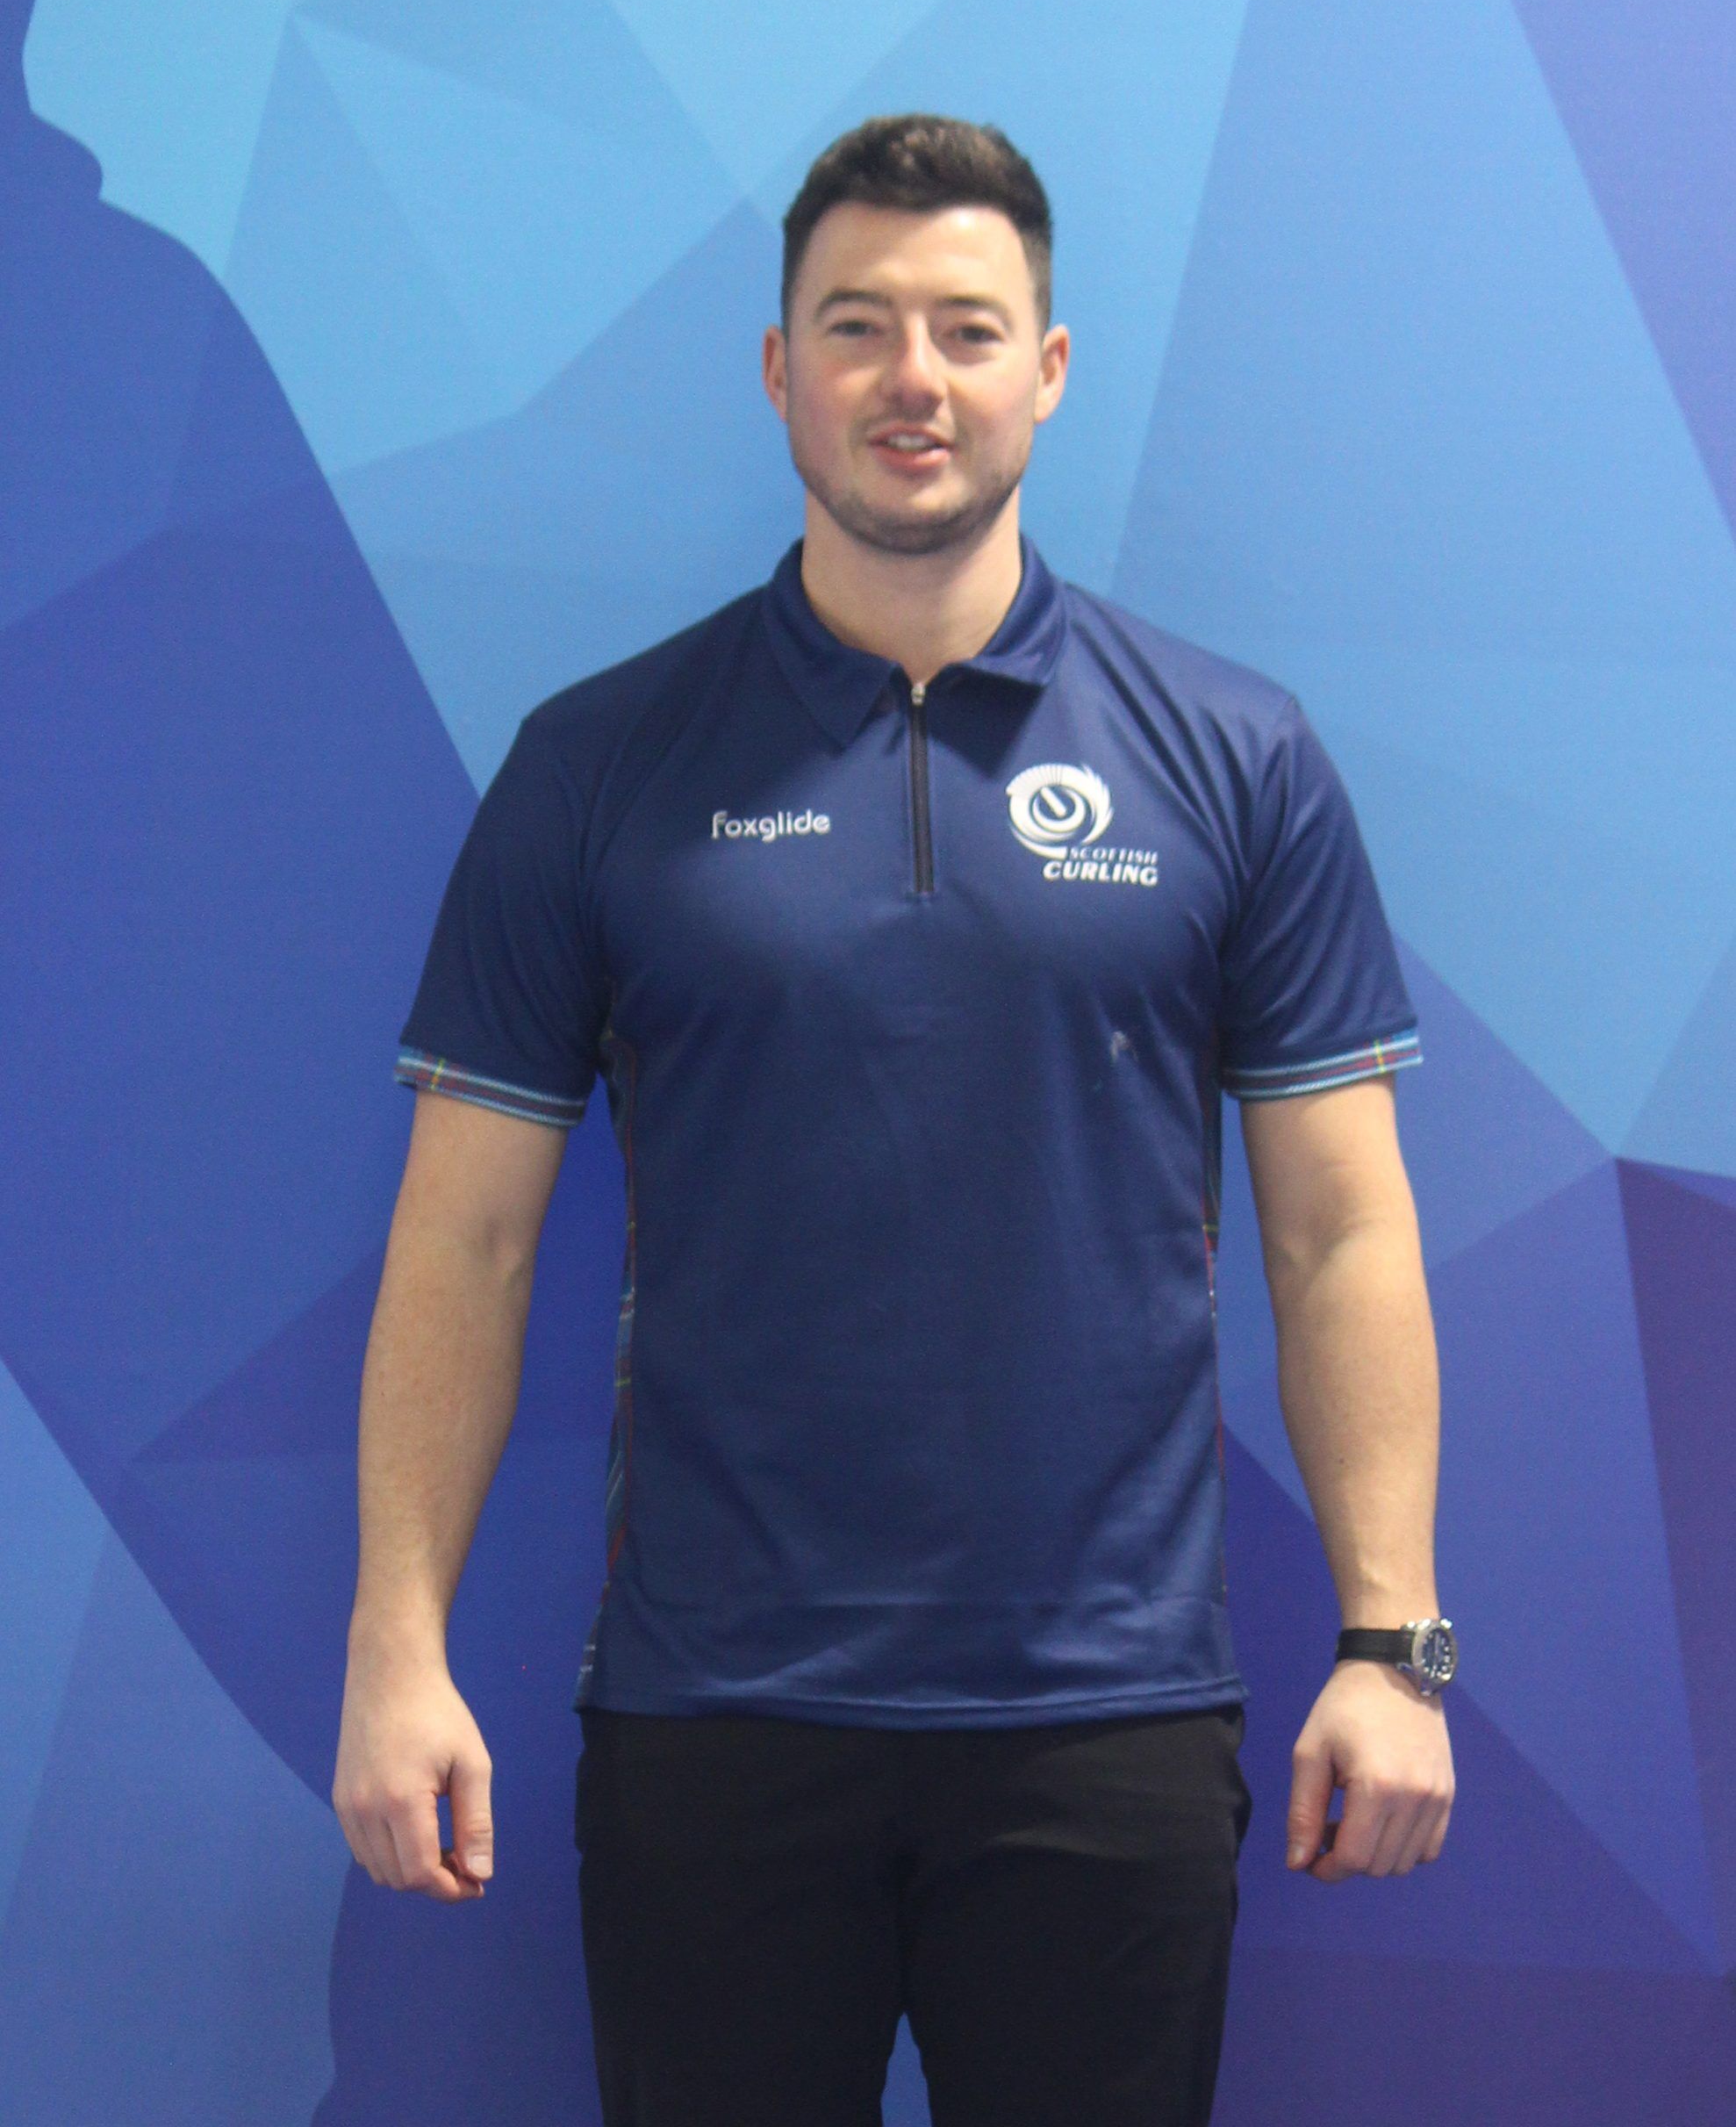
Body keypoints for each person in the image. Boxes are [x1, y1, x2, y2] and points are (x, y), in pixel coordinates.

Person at [333, 112, 1456, 2126]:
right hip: (712, 1720)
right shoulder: (597, 763)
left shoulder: (1233, 754)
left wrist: (1391, 1636)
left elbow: (1339, 1231)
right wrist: (393, 1645)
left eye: (963, 326)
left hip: (1103, 1720)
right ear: (780, 370)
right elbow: (465, 1237)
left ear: (1048, 367)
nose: (908, 377)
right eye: (854, 325)